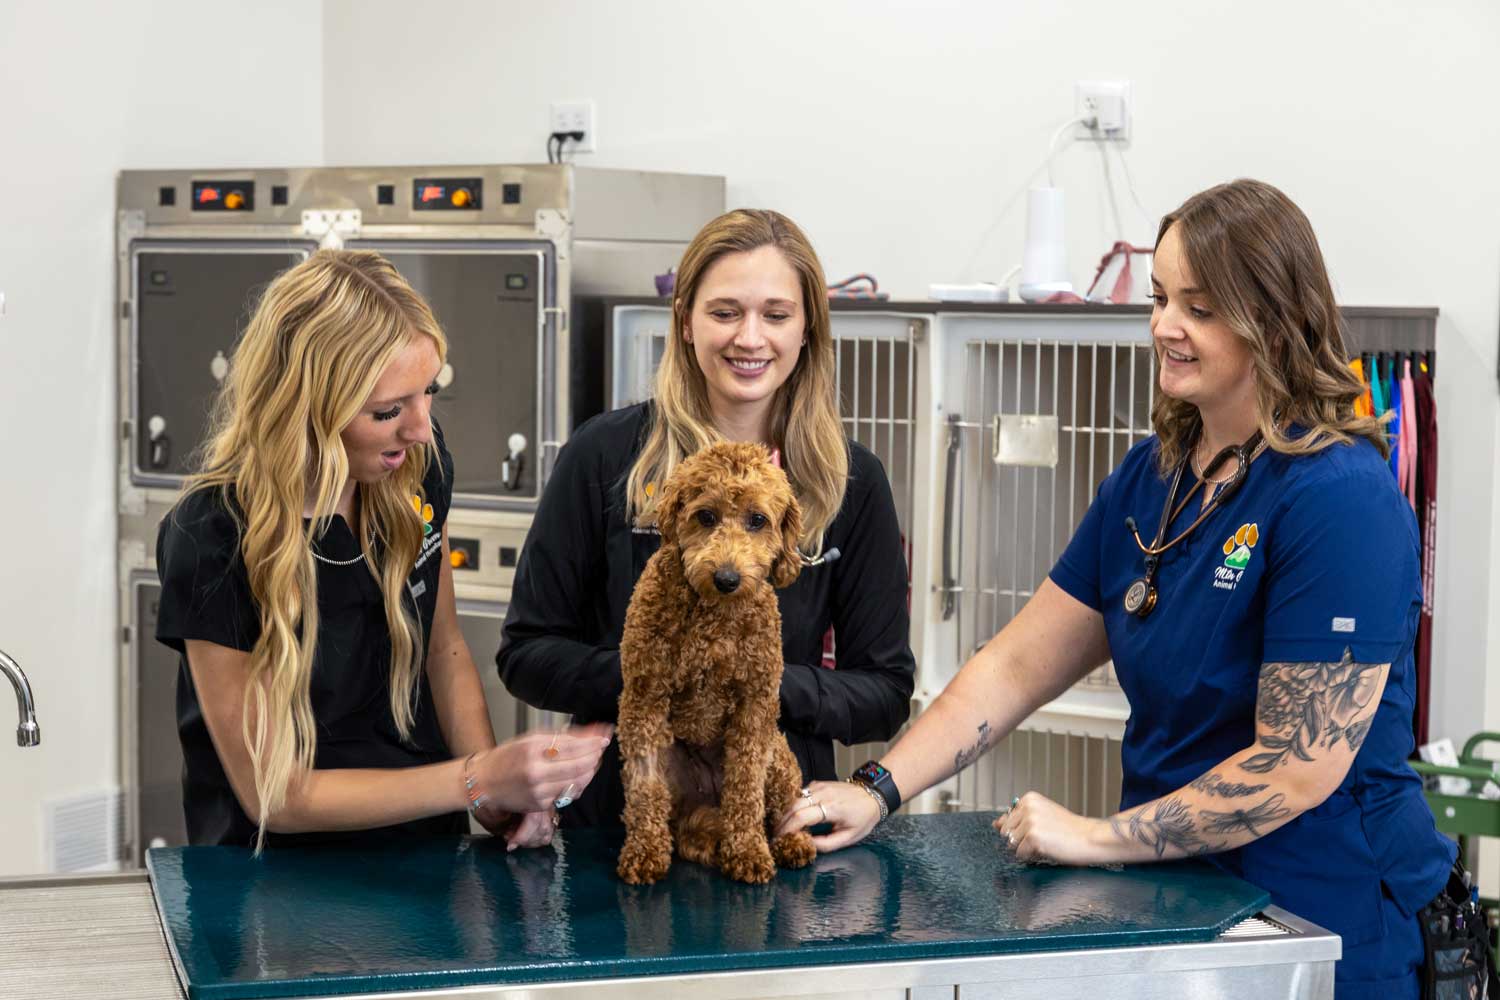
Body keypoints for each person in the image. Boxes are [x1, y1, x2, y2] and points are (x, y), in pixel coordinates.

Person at [780, 180, 1455, 998]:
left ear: (1274, 322)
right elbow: (1017, 665)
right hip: (1175, 900)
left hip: (1319, 920)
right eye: (1165, 297)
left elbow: (1294, 768)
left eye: (1200, 309)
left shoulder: (1338, 496)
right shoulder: (1154, 473)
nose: (1165, 324)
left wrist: (1095, 837)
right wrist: (877, 791)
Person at [155, 249, 609, 851]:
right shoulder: (212, 536)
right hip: (276, 889)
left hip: (424, 853)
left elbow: (443, 648)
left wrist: (495, 797)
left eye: (429, 393)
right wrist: (476, 778)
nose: (420, 427)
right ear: (309, 407)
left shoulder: (415, 468)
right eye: (388, 411)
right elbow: (276, 794)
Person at [498, 208, 916, 830]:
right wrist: (659, 673)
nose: (750, 338)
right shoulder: (604, 456)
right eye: (725, 312)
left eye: (776, 315)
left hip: (772, 819)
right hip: (624, 817)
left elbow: (885, 692)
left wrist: (757, 683)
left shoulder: (851, 482)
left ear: (807, 331)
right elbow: (526, 653)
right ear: (686, 322)